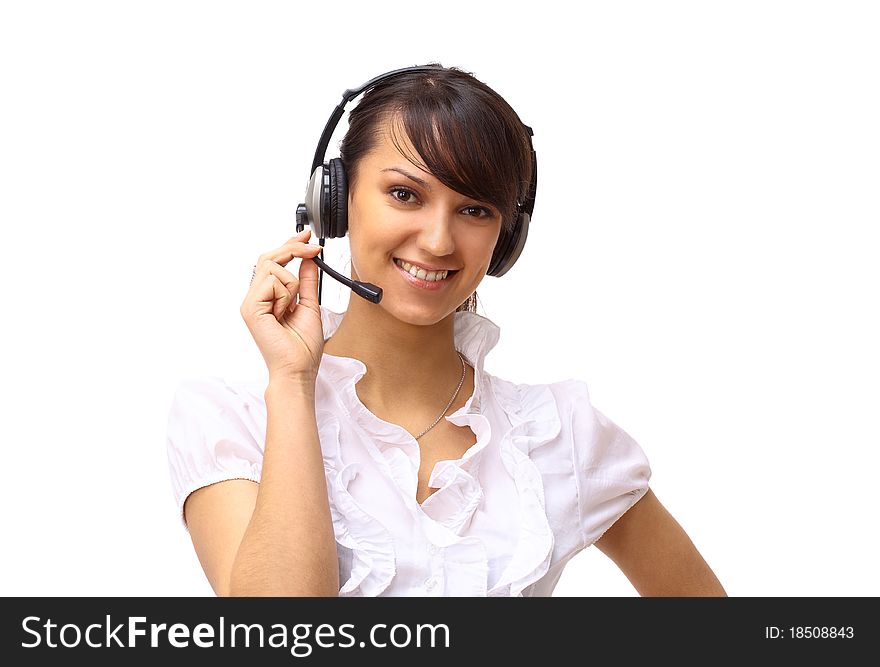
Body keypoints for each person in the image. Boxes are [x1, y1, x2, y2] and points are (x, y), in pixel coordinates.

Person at [165, 64, 726, 597]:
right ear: (333, 202)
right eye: (405, 194)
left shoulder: (559, 437)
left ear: (506, 239)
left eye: (475, 210)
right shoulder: (231, 421)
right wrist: (292, 380)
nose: (437, 241)